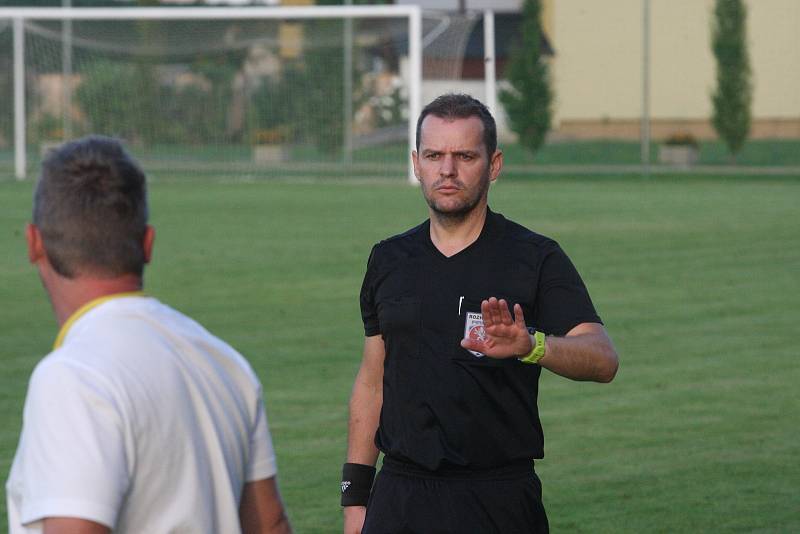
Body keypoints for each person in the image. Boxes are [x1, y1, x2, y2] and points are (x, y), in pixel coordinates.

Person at [342, 94, 619, 533]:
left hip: (497, 499)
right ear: (417, 163)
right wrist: (356, 497)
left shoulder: (535, 257)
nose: (447, 170)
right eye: (434, 155)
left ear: (494, 165)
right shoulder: (388, 259)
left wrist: (533, 346)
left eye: (464, 156)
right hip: (399, 497)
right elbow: (372, 381)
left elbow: (603, 359)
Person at [6, 136, 292, 534]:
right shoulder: (223, 360)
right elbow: (270, 524)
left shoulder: (73, 378)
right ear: (147, 243)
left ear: (34, 242)